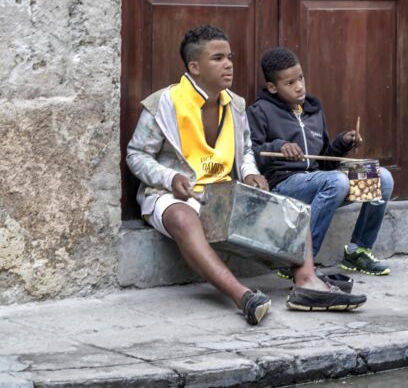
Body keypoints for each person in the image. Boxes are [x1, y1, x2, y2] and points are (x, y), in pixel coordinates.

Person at [126, 26, 366, 326]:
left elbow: (247, 150)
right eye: (218, 58)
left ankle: (306, 282)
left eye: (230, 57)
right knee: (183, 219)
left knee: (290, 204)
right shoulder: (164, 103)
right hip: (173, 195)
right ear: (194, 67)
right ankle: (244, 297)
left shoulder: (236, 104)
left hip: (223, 194)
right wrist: (169, 178)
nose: (228, 64)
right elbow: (136, 155)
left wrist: (251, 174)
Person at [247, 46, 394, 278]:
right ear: (273, 87)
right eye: (290, 83)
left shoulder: (313, 111)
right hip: (284, 186)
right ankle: (300, 260)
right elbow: (250, 153)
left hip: (320, 182)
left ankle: (358, 251)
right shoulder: (260, 111)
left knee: (381, 177)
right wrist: (279, 146)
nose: (299, 87)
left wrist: (343, 142)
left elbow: (324, 161)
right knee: (336, 182)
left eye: (301, 78)